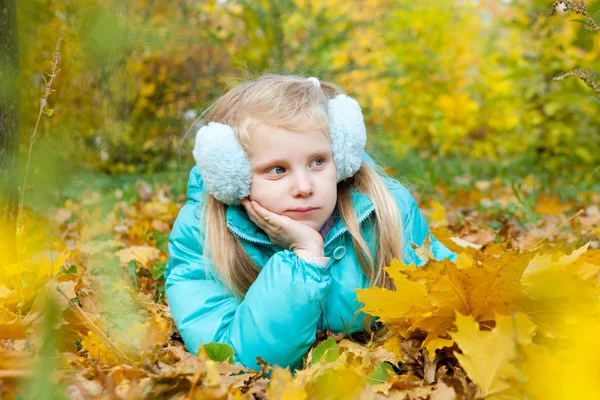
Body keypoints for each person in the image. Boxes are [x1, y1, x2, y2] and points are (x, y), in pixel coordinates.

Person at [165, 74, 457, 372]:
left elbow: (454, 296)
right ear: (232, 177)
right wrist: (304, 257)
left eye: (318, 161)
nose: (304, 186)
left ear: (341, 159)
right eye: (277, 169)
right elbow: (242, 361)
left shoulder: (386, 208)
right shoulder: (203, 234)